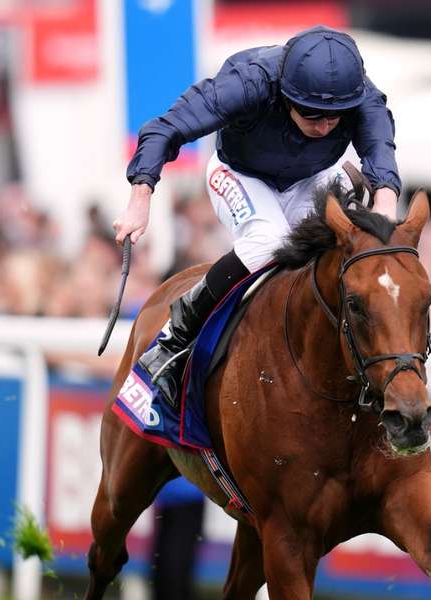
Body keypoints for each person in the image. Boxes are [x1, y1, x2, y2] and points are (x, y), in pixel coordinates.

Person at [113, 25, 401, 407]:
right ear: (285, 95)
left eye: (336, 117)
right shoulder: (248, 83)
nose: (325, 126)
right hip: (239, 173)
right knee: (270, 241)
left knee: (344, 252)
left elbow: (380, 153)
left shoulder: (360, 97)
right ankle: (172, 342)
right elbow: (165, 129)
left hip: (313, 176)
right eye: (313, 114)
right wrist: (140, 196)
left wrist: (383, 212)